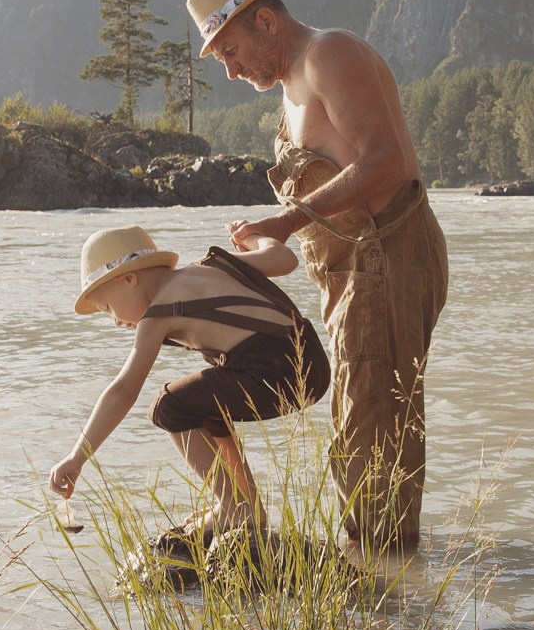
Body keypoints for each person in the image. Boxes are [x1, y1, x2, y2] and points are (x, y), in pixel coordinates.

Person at [187, 0, 447, 555]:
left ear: (265, 20)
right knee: (364, 421)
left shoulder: (330, 54)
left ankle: (386, 588)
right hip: (350, 273)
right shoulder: (289, 84)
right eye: (219, 59)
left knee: (371, 427)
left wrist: (284, 219)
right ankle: (388, 573)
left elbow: (387, 162)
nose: (229, 70)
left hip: (386, 256)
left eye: (230, 51)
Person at [48, 225, 331, 549]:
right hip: (311, 361)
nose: (115, 321)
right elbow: (283, 258)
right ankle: (241, 503)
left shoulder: (158, 315)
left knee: (169, 405)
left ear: (128, 278)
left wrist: (76, 457)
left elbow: (123, 390)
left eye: (109, 308)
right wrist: (252, 236)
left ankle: (236, 507)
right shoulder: (214, 265)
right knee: (201, 402)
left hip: (276, 372)